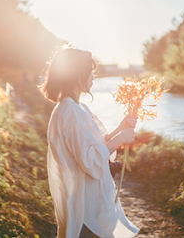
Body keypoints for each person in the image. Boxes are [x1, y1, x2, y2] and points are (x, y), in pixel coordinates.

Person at [39, 47, 140, 238]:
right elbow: (90, 160)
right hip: (85, 209)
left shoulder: (77, 107)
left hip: (91, 204)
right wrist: (120, 140)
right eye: (91, 73)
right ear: (78, 75)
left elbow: (95, 146)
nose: (94, 78)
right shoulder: (71, 113)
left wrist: (120, 128)